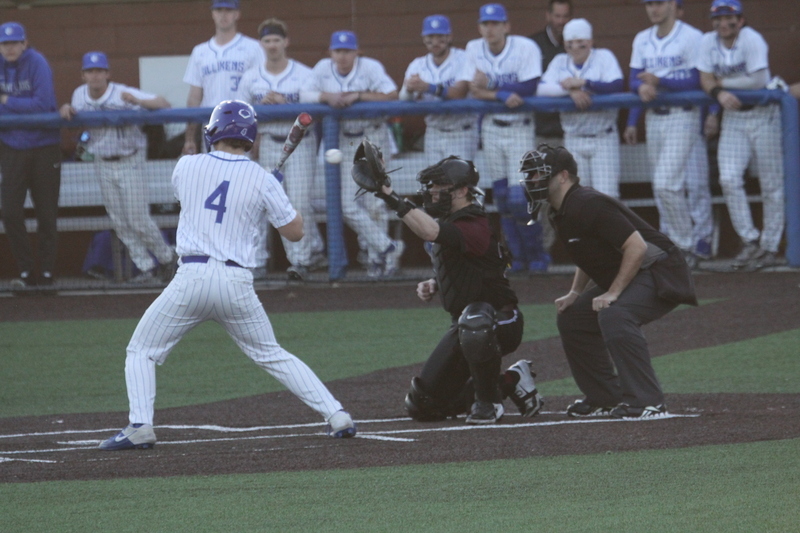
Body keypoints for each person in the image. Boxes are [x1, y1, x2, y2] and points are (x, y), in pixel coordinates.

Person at [98, 100, 356, 451]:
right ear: (250, 137)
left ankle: (140, 425)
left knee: (141, 351)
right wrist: (272, 193)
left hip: (191, 279)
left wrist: (263, 188)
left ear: (213, 131)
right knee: (271, 353)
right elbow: (295, 232)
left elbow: (205, 199)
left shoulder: (186, 166)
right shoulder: (262, 178)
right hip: (237, 285)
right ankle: (337, 414)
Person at [353, 141, 542, 424]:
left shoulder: (474, 222)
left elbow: (430, 231)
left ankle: (488, 404)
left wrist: (389, 195)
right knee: (423, 405)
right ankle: (512, 379)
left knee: (475, 321)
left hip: (501, 320)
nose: (432, 192)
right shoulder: (452, 220)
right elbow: (468, 265)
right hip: (465, 326)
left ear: (462, 191)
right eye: (431, 186)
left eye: (439, 187)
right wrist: (436, 282)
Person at [519, 144, 697, 419]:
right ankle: (605, 398)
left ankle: (648, 402)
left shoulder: (587, 203)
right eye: (529, 176)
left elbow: (636, 247)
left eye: (538, 174)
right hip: (640, 270)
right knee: (573, 317)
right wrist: (575, 292)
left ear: (563, 176)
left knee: (616, 314)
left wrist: (613, 293)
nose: (532, 182)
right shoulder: (559, 210)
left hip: (662, 269)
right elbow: (587, 254)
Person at [59, 51, 176, 283]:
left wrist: (139, 101)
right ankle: (146, 267)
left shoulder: (122, 92)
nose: (95, 76)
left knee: (138, 219)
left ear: (107, 74)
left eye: (99, 71)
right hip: (102, 161)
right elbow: (73, 119)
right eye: (90, 71)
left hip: (130, 159)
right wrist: (66, 108)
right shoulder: (79, 95)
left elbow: (164, 103)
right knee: (120, 222)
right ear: (83, 75)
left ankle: (167, 259)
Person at [300, 30, 403, 278]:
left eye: (347, 51)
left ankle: (377, 258)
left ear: (357, 52)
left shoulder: (370, 67)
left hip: (373, 137)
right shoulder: (324, 68)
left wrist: (359, 96)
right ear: (331, 52)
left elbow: (392, 94)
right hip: (345, 141)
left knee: (376, 203)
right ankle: (387, 247)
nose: (343, 56)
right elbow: (304, 94)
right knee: (347, 205)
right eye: (338, 51)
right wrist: (327, 96)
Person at [698, 0, 784, 271]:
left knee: (772, 184)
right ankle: (750, 240)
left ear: (740, 20)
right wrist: (718, 93)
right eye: (718, 18)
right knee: (728, 177)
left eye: (729, 18)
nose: (724, 23)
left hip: (763, 115)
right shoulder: (708, 42)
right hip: (733, 118)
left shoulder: (752, 39)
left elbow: (758, 80)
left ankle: (770, 246)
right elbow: (704, 78)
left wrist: (722, 83)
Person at [239, 18, 325, 281]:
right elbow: (240, 111)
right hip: (268, 142)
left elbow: (318, 109)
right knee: (266, 203)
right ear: (261, 44)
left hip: (300, 143)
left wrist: (285, 101)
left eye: (276, 40)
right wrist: (254, 128)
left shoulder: (304, 73)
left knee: (297, 203)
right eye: (267, 41)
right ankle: (265, 260)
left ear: (286, 42)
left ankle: (300, 261)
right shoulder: (251, 76)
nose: (272, 45)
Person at [466, 3, 549, 273]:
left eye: (495, 23)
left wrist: (488, 86)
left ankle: (537, 256)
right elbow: (473, 90)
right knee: (502, 198)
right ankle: (517, 257)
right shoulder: (473, 48)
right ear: (480, 27)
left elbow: (530, 85)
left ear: (506, 26)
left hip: (519, 128)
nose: (490, 29)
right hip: (490, 127)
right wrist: (499, 93)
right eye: (485, 24)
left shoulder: (525, 47)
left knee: (519, 199)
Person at [624, 0, 706, 267]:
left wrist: (660, 82)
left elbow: (697, 79)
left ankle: (685, 245)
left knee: (666, 183)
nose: (653, 8)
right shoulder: (642, 39)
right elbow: (634, 77)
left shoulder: (692, 36)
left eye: (659, 3)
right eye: (649, 3)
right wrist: (639, 93)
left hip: (683, 115)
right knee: (663, 189)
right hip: (655, 119)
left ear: (672, 4)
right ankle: (671, 244)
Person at [0, 22, 61, 288]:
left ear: (24, 44)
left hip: (44, 146)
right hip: (11, 146)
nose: (9, 47)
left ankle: (47, 273)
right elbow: (32, 105)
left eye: (14, 43)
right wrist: (21, 110)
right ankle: (26, 272)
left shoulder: (37, 63)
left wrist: (6, 102)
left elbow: (43, 104)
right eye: (5, 43)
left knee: (46, 214)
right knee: (10, 211)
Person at [537, 18, 624, 198]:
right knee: (579, 198)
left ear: (590, 42)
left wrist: (585, 83)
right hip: (573, 138)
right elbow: (540, 89)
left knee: (607, 197)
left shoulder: (604, 57)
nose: (575, 48)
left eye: (580, 43)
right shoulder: (560, 61)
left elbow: (617, 85)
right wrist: (569, 90)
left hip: (603, 137)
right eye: (570, 44)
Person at [182, 0, 264, 156]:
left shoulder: (253, 48)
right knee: (212, 178)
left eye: (228, 10)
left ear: (237, 14)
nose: (223, 15)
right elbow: (194, 98)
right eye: (219, 10)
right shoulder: (200, 51)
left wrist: (258, 136)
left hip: (243, 127)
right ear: (213, 14)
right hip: (211, 127)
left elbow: (260, 94)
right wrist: (189, 138)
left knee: (242, 178)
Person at [399, 14, 478, 165]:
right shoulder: (418, 65)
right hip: (433, 131)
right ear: (424, 39)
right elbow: (403, 98)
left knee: (459, 183)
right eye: (430, 37)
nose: (435, 42)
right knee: (435, 184)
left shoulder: (464, 58)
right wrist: (409, 89)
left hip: (461, 131)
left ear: (449, 37)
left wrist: (428, 87)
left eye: (440, 36)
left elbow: (459, 93)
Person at [529, 0, 572, 145]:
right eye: (557, 16)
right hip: (541, 131)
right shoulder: (533, 45)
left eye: (565, 16)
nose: (561, 21)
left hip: (572, 130)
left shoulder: (581, 44)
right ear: (548, 16)